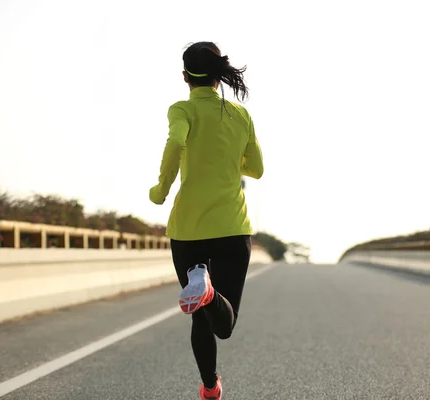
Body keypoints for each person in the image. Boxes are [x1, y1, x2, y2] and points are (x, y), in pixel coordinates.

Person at [149, 41, 264, 400]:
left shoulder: (181, 109)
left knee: (200, 315)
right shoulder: (240, 115)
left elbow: (176, 143)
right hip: (232, 227)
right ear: (218, 77)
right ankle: (209, 293)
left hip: (188, 230)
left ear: (185, 76)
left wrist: (162, 188)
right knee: (223, 325)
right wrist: (231, 164)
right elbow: (256, 169)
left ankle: (210, 387)